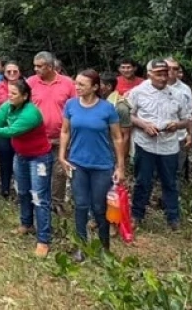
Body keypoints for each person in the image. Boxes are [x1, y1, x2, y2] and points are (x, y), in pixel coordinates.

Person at [59, 70, 125, 260]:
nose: (77, 87)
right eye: (76, 83)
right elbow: (65, 131)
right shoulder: (71, 105)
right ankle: (81, 246)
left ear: (95, 87)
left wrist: (120, 167)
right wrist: (62, 156)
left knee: (99, 207)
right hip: (78, 164)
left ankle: (104, 247)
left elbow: (117, 137)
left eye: (82, 84)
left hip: (102, 165)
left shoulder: (107, 109)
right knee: (80, 205)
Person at [0, 78, 53, 257]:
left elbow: (11, 131)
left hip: (39, 159)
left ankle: (43, 239)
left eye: (14, 93)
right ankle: (26, 224)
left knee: (39, 197)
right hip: (21, 156)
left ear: (24, 96)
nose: (10, 96)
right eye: (9, 92)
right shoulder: (8, 106)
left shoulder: (31, 113)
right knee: (22, 192)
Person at [128, 59, 192, 229]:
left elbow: (187, 119)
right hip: (145, 144)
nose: (163, 78)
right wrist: (144, 125)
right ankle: (137, 214)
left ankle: (173, 217)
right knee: (143, 181)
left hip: (168, 145)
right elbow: (129, 115)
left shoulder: (178, 94)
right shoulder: (138, 92)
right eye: (158, 74)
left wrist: (176, 125)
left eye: (165, 74)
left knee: (170, 182)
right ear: (149, 74)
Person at [28, 52, 75, 215]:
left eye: (39, 66)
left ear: (49, 67)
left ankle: (57, 202)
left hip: (62, 136)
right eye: (34, 66)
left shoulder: (68, 83)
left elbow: (76, 107)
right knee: (40, 171)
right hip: (37, 138)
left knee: (60, 172)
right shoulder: (30, 82)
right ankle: (40, 202)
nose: (36, 69)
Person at [0, 61, 24, 199]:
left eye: (15, 71)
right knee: (4, 159)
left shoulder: (26, 86)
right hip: (2, 129)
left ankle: (21, 189)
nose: (12, 74)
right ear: (4, 73)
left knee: (20, 159)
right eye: (8, 71)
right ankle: (5, 189)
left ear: (19, 72)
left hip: (20, 129)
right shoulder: (0, 86)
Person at [102, 72, 132, 167]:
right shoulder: (101, 102)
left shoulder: (120, 107)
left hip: (113, 155)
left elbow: (125, 137)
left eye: (99, 84)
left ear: (108, 86)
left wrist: (120, 164)